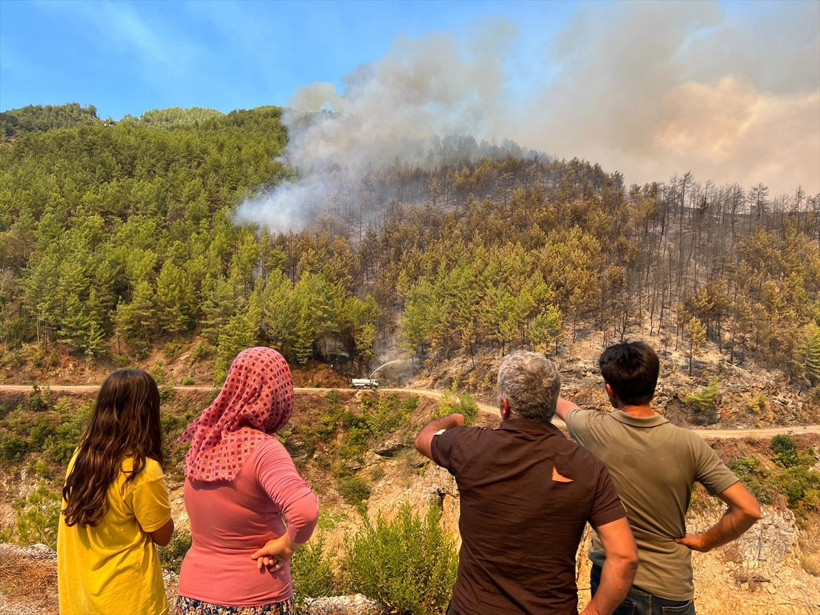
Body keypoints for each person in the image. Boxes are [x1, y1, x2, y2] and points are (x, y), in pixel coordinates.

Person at [415, 350, 638, 615]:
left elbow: (424, 437)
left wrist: (453, 419)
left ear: (505, 405)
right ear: (551, 403)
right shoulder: (587, 466)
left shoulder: (468, 445)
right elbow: (625, 558)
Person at [555, 341, 761, 615]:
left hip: (615, 586)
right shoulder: (690, 444)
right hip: (673, 590)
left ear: (609, 390)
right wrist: (703, 542)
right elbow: (748, 509)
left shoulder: (593, 429)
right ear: (653, 385)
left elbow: (563, 406)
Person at [176, 347, 319, 615]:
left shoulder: (204, 441)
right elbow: (305, 511)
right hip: (254, 598)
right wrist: (288, 545)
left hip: (193, 597)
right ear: (278, 394)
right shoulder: (264, 450)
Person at [57, 369, 174, 615]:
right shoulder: (141, 470)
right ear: (148, 411)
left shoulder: (80, 458)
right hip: (131, 601)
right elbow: (163, 536)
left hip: (82, 600)